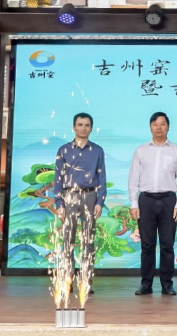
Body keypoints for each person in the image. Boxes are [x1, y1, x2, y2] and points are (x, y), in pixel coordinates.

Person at [129, 112, 177, 296]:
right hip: (145, 200)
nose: (159, 127)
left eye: (162, 123)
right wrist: (133, 203)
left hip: (168, 200)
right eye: (155, 123)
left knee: (167, 245)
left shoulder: (176, 151)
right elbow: (133, 178)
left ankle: (167, 284)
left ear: (168, 127)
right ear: (150, 127)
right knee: (147, 245)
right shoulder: (141, 150)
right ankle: (146, 284)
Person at [54, 112, 106, 294]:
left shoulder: (98, 150)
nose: (83, 128)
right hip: (69, 197)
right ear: (74, 127)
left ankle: (86, 282)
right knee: (67, 241)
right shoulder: (63, 150)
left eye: (87, 125)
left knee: (88, 241)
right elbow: (58, 178)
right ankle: (67, 281)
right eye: (80, 124)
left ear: (91, 128)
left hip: (90, 196)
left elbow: (102, 177)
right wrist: (59, 203)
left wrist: (100, 201)